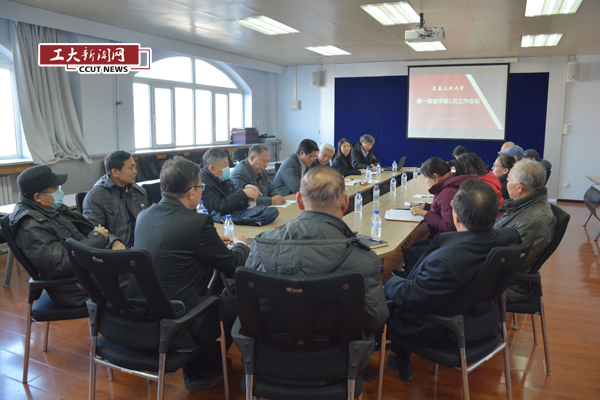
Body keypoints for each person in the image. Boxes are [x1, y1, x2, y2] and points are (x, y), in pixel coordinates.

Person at [130, 156, 250, 391]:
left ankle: (205, 364)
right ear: (192, 192)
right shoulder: (196, 223)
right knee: (244, 302)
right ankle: (205, 370)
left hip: (142, 312)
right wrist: (240, 244)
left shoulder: (144, 215)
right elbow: (233, 264)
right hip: (182, 317)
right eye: (201, 187)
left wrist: (211, 242)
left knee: (210, 292)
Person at [385, 179, 521, 381]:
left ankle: (391, 361)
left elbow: (411, 298)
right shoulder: (511, 239)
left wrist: (388, 282)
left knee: (383, 301)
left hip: (447, 330)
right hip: (486, 320)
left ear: (456, 217)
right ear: (496, 214)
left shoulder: (447, 262)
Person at [246, 166, 388, 333]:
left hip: (270, 343)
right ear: (345, 202)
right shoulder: (363, 259)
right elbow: (376, 319)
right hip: (340, 347)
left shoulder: (261, 246)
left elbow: (251, 306)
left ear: (299, 201)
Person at [9, 166, 109, 307]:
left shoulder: (51, 209)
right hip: (77, 288)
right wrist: (97, 238)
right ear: (37, 197)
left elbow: (84, 233)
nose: (60, 192)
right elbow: (61, 263)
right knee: (137, 284)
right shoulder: (31, 226)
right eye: (55, 189)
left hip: (89, 275)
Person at [398, 157, 476, 274]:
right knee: (417, 245)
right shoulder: (449, 184)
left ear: (435, 176)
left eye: (426, 178)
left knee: (410, 255)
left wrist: (425, 214)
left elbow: (449, 227)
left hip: (450, 242)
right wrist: (425, 206)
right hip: (453, 239)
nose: (425, 181)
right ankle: (411, 272)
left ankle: (412, 280)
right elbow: (443, 209)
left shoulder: (447, 193)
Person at [494, 160, 557, 302]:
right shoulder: (525, 205)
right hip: (497, 275)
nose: (505, 183)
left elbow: (511, 264)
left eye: (508, 180)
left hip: (506, 286)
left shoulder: (535, 222)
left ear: (519, 187)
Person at [83, 150, 147, 250]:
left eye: (134, 167)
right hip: (119, 251)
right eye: (131, 168)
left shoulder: (138, 192)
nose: (135, 171)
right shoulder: (95, 197)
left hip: (143, 246)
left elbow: (148, 221)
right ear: (115, 172)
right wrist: (113, 242)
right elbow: (94, 230)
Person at [200, 148, 260, 214]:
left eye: (228, 165)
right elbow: (217, 208)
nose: (227, 168)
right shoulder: (202, 183)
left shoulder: (223, 179)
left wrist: (246, 193)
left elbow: (233, 201)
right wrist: (243, 194)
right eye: (225, 165)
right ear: (212, 169)